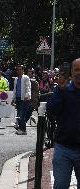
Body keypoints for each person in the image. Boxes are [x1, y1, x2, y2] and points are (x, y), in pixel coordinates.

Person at [46, 59, 80, 189]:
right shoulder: (63, 90)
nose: (79, 73)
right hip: (64, 149)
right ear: (71, 72)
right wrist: (59, 91)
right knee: (60, 185)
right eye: (76, 69)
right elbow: (51, 110)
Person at [11, 65, 31, 135]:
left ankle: (23, 130)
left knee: (22, 115)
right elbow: (14, 89)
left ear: (23, 70)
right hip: (18, 98)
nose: (19, 71)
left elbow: (28, 87)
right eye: (18, 69)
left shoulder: (26, 77)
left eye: (20, 69)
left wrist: (27, 95)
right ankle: (20, 128)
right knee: (19, 114)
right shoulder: (16, 79)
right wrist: (13, 99)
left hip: (24, 98)